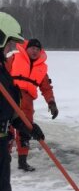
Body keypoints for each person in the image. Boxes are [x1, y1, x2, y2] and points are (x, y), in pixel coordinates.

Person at [0, 12, 44, 191]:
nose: (11, 48)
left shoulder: (3, 67)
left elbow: (9, 105)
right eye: (8, 43)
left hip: (5, 134)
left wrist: (27, 125)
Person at [8, 37, 58, 171]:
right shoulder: (14, 58)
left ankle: (22, 162)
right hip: (11, 97)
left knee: (26, 132)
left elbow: (46, 88)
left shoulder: (41, 68)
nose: (34, 51)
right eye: (32, 48)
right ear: (27, 48)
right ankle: (4, 160)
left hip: (27, 102)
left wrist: (51, 102)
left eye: (37, 49)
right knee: (7, 131)